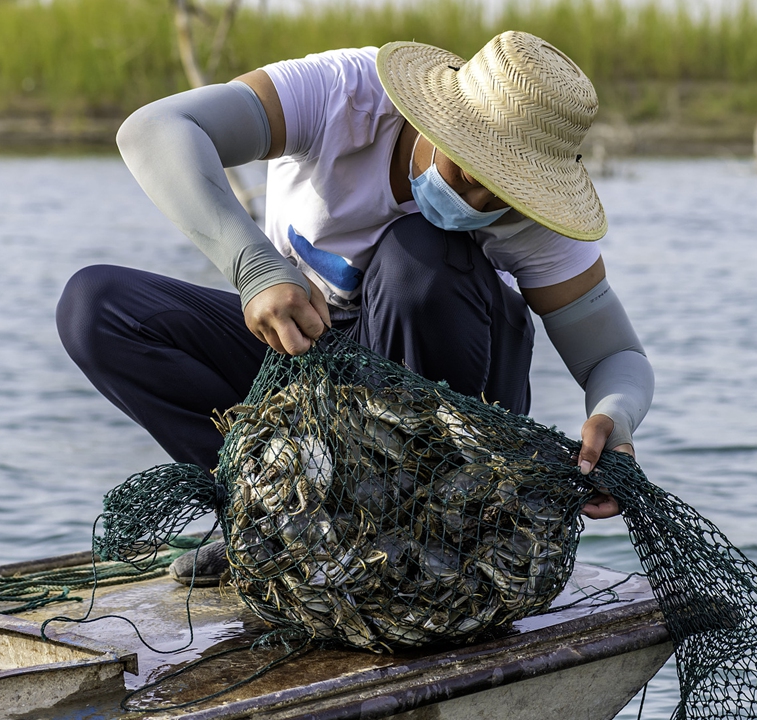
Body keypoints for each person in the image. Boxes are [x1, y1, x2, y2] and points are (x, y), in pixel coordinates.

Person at [57, 32, 653, 579]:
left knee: (417, 253)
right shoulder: (343, 95)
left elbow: (616, 355)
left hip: (446, 429)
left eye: (503, 195)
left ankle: (425, 530)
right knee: (98, 307)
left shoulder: (533, 220)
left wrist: (614, 419)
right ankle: (272, 519)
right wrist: (254, 267)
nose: (478, 199)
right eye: (469, 171)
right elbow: (155, 129)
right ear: (436, 121)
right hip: (310, 373)